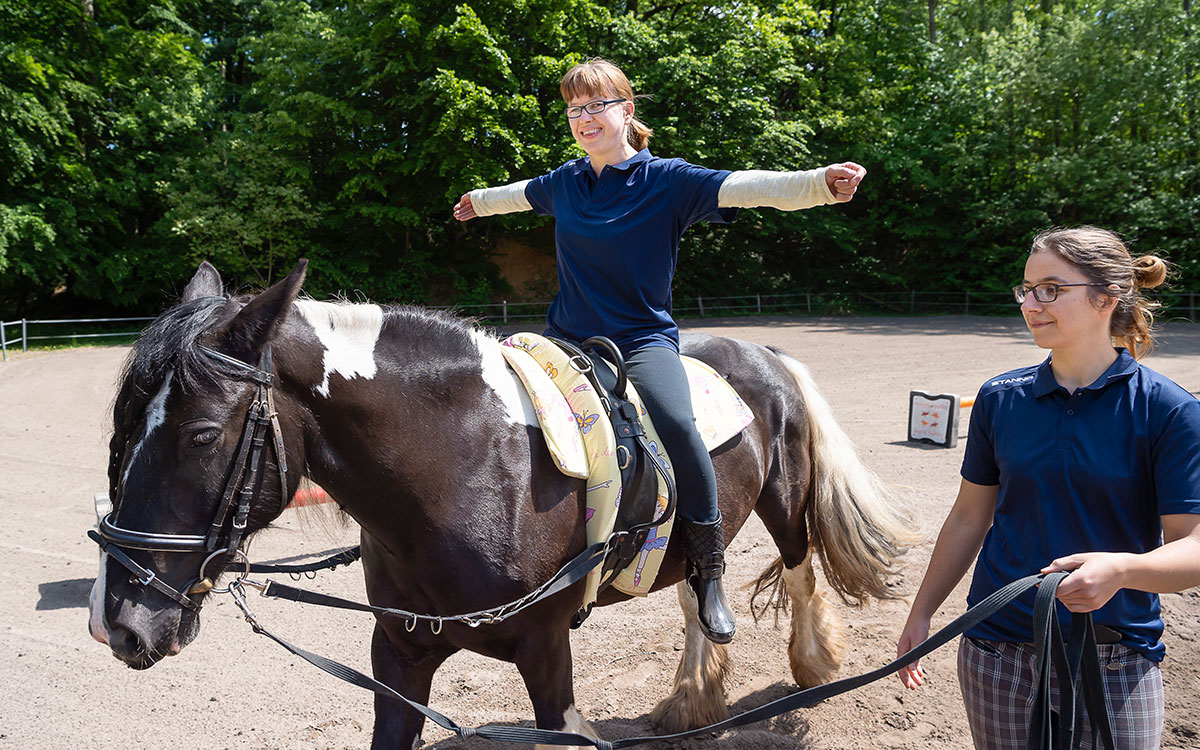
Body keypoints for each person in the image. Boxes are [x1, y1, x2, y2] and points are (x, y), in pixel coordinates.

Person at [453, 58, 866, 644]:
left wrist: (820, 185)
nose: (583, 118)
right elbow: (517, 195)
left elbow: (749, 187)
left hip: (640, 341)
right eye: (574, 109)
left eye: (596, 105)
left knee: (676, 425)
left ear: (627, 110)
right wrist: (478, 201)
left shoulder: (666, 181)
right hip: (563, 339)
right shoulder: (566, 182)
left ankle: (708, 572)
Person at [895, 226, 1200, 749]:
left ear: (1107, 298)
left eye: (1051, 289)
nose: (1031, 303)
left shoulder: (1169, 410)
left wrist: (1121, 569)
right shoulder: (999, 398)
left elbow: (1193, 548)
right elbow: (970, 516)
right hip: (996, 652)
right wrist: (920, 616)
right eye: (1027, 289)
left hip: (1116, 658)